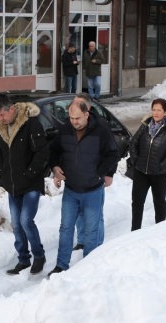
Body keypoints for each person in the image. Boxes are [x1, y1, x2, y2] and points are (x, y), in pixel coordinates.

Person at [48, 101, 119, 277]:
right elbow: (54, 150)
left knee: (91, 230)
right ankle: (61, 265)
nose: (74, 121)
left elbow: (113, 154)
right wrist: (55, 169)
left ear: (87, 114)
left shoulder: (101, 131)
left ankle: (88, 267)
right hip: (71, 190)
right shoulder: (65, 130)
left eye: (77, 118)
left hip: (93, 191)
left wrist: (100, 173)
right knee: (65, 228)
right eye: (71, 118)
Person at [0, 94, 50, 276]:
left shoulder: (31, 124)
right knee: (17, 224)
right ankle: (23, 259)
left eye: (2, 114)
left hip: (30, 183)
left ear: (12, 109)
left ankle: (39, 256)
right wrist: (2, 173)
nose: (0, 119)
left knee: (26, 221)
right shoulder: (1, 128)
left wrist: (30, 173)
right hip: (13, 185)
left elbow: (42, 152)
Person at [129, 99, 166, 231]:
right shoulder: (145, 125)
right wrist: (136, 160)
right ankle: (134, 231)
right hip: (141, 172)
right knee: (137, 203)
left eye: (159, 110)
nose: (156, 113)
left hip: (161, 174)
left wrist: (161, 167)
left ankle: (159, 231)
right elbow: (133, 143)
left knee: (159, 203)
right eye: (154, 109)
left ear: (165, 112)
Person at [71, 93, 116, 251]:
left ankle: (98, 244)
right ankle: (82, 240)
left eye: (79, 103)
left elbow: (111, 151)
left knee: (95, 213)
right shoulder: (74, 124)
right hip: (77, 178)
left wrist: (109, 173)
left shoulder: (101, 125)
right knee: (79, 212)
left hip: (95, 177)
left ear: (88, 109)